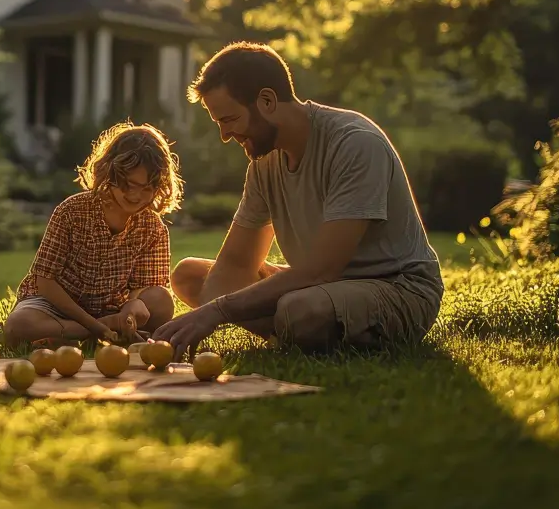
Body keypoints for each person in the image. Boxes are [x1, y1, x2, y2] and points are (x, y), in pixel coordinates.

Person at [155, 43, 444, 358]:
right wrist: (205, 317)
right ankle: (298, 333)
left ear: (266, 100)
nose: (225, 135)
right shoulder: (264, 161)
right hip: (318, 287)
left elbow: (322, 270)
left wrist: (218, 311)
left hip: (396, 288)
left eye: (230, 119)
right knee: (190, 275)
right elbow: (237, 262)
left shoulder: (355, 144)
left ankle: (298, 329)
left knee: (300, 310)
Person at [2, 122, 181, 348]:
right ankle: (90, 333)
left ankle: (80, 335)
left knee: (162, 301)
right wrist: (96, 326)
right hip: (54, 304)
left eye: (146, 188)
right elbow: (45, 282)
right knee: (19, 325)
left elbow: (146, 287)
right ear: (109, 172)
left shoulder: (153, 228)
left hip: (111, 306)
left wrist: (131, 308)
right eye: (129, 185)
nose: (136, 196)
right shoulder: (72, 211)